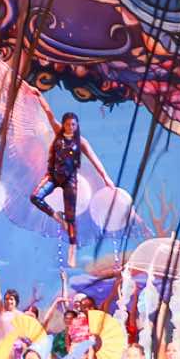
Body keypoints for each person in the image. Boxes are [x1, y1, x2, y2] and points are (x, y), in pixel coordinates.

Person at [29, 111, 110, 266]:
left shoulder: (81, 142)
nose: (70, 127)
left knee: (71, 218)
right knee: (35, 197)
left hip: (69, 180)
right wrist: (38, 98)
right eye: (67, 124)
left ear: (77, 125)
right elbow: (49, 114)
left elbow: (95, 160)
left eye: (73, 124)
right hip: (53, 176)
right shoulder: (58, 134)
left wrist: (106, 178)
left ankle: (72, 249)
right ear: (63, 124)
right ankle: (57, 216)